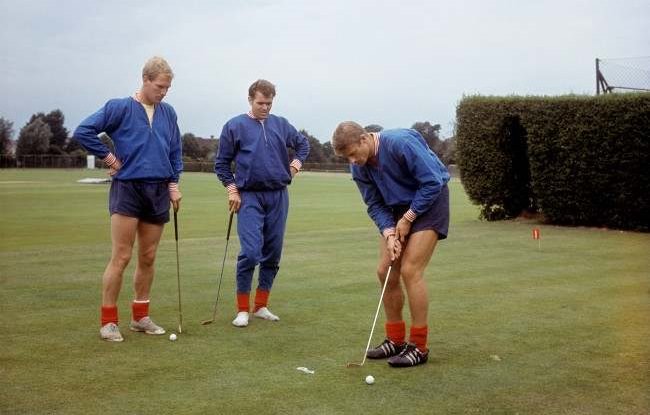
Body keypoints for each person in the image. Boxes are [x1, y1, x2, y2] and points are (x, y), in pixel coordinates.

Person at [73, 56, 183, 342]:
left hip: (158, 190)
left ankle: (140, 317)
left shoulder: (169, 113)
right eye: (160, 86)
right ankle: (109, 321)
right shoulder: (119, 107)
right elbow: (83, 131)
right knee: (121, 256)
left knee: (148, 257)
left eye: (168, 88)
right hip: (128, 189)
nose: (164, 92)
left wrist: (173, 185)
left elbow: (174, 153)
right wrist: (109, 157)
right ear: (145, 80)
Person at [331, 122, 450, 367]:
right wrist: (388, 233)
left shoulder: (400, 143)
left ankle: (418, 346)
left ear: (364, 139)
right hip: (396, 208)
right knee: (385, 270)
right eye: (347, 158)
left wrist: (408, 218)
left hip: (430, 201)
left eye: (353, 154)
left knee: (410, 270)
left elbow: (433, 182)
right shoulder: (359, 168)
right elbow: (374, 203)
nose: (352, 161)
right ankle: (395, 340)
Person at [215, 79, 310, 327]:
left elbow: (303, 144)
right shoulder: (234, 126)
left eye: (269, 103)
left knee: (273, 252)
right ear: (250, 100)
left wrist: (295, 166)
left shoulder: (280, 124)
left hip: (278, 195)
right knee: (250, 252)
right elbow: (222, 164)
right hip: (249, 196)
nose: (265, 108)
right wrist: (232, 190)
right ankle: (242, 310)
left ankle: (261, 306)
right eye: (260, 103)